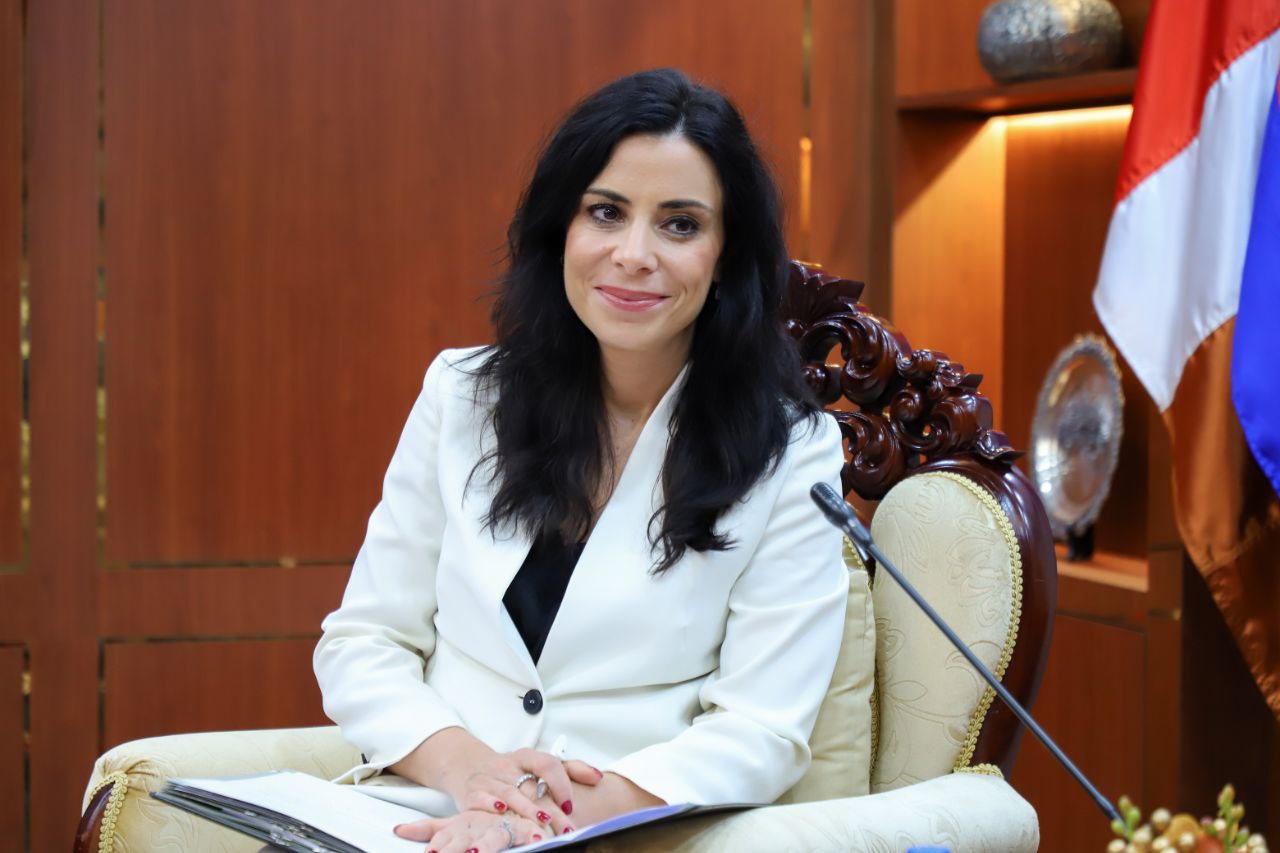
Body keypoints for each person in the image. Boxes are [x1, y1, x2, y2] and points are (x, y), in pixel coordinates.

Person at [313, 68, 849, 853]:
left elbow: (762, 729)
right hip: (419, 817)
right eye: (606, 212)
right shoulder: (461, 396)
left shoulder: (792, 452)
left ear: (727, 256)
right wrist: (473, 775)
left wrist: (540, 817)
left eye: (680, 224)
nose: (633, 254)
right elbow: (363, 642)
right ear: (560, 228)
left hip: (617, 836)